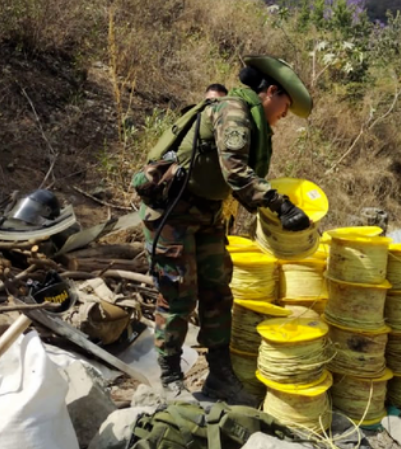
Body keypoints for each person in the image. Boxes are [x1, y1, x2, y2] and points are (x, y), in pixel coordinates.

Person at [133, 56, 313, 404]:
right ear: (270, 92)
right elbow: (236, 173)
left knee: (217, 292)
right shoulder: (234, 112)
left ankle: (220, 375)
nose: (284, 115)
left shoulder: (251, 117)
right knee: (178, 294)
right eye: (285, 105)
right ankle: (171, 378)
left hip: (206, 213)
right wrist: (281, 205)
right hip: (173, 212)